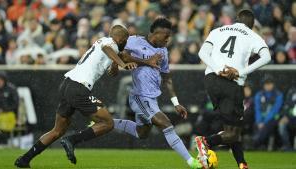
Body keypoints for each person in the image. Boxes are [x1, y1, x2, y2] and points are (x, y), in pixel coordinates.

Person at [61, 17, 205, 169]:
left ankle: (107, 122)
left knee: (141, 132)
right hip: (139, 96)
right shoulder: (134, 41)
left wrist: (176, 102)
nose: (168, 39)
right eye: (166, 36)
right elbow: (122, 55)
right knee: (166, 124)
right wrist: (145, 61)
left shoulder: (163, 51)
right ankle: (192, 162)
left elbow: (166, 77)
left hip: (152, 97)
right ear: (155, 33)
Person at [14, 25, 143, 168]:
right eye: (125, 40)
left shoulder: (103, 41)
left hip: (67, 84)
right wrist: (123, 64)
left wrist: (117, 64)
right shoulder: (109, 44)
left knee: (57, 130)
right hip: (79, 87)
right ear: (119, 39)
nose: (126, 43)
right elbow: (107, 49)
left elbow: (113, 65)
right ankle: (72, 140)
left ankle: (24, 159)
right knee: (108, 123)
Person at [196, 9, 271, 169]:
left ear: (237, 20)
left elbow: (202, 52)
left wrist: (217, 69)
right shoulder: (252, 35)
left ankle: (242, 164)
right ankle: (206, 142)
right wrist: (240, 71)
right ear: (251, 25)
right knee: (233, 132)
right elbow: (267, 57)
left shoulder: (218, 30)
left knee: (232, 128)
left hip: (211, 80)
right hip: (232, 83)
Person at [253, 75, 283, 149]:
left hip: (273, 118)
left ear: (273, 84)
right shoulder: (259, 95)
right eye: (266, 84)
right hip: (260, 120)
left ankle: (254, 143)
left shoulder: (278, 95)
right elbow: (257, 109)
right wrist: (259, 121)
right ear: (263, 85)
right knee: (255, 125)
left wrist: (264, 122)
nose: (268, 86)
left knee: (268, 125)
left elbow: (274, 110)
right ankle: (258, 143)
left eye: (270, 83)